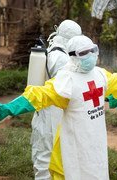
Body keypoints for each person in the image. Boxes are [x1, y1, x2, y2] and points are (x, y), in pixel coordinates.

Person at [0, 35, 117, 180]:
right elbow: (39, 95)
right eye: (84, 53)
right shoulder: (66, 80)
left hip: (96, 144)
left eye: (93, 50)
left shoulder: (99, 75)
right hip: (73, 145)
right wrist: (9, 108)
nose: (91, 55)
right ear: (72, 56)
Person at [30, 20, 82, 180]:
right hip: (50, 117)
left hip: (51, 114)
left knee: (54, 159)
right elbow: (68, 85)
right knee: (45, 161)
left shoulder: (56, 51)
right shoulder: (59, 58)